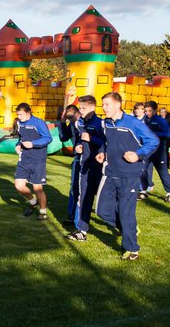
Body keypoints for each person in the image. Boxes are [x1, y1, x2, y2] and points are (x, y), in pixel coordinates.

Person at [95, 91, 158, 260]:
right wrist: (102, 152)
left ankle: (132, 248)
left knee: (126, 212)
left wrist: (138, 154)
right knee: (101, 211)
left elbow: (153, 141)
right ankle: (128, 227)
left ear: (117, 104)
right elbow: (106, 142)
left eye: (106, 104)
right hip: (109, 173)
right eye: (103, 104)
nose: (104, 108)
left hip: (129, 174)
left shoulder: (133, 123)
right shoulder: (106, 123)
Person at [65, 95, 105, 242]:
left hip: (101, 167)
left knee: (106, 201)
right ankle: (81, 230)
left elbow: (106, 143)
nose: (80, 111)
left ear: (93, 108)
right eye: (80, 108)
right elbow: (78, 141)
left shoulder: (100, 123)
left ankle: (125, 226)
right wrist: (79, 146)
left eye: (83, 108)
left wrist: (92, 140)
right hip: (85, 166)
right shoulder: (79, 123)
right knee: (84, 197)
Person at [8, 103, 52, 221]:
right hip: (24, 159)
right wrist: (18, 145)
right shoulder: (19, 123)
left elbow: (48, 138)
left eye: (21, 114)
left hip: (38, 160)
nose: (19, 117)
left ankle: (43, 212)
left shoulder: (38, 123)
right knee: (19, 186)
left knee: (37, 188)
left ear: (28, 112)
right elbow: (21, 138)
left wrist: (33, 144)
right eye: (18, 114)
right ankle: (33, 202)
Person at [140, 100, 170, 202]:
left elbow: (168, 134)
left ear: (155, 110)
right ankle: (143, 191)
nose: (147, 113)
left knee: (162, 171)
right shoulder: (145, 120)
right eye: (146, 111)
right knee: (142, 169)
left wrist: (153, 134)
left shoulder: (161, 121)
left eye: (149, 111)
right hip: (147, 150)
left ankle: (169, 193)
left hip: (159, 150)